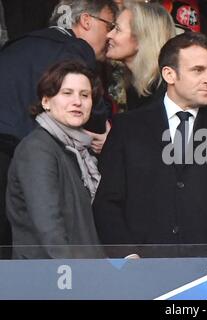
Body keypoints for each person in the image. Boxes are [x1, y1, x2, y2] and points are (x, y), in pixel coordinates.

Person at [93, 32, 207, 256]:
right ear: (169, 74)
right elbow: (107, 202)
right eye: (198, 70)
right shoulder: (127, 128)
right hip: (142, 273)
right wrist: (127, 256)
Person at [0, 0, 117, 259]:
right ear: (86, 21)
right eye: (109, 25)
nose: (111, 35)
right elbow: (51, 232)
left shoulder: (21, 44)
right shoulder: (75, 48)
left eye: (85, 95)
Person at [6, 60, 105, 259]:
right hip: (52, 280)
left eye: (84, 95)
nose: (77, 101)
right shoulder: (38, 149)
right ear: (46, 101)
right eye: (67, 93)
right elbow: (49, 227)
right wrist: (74, 276)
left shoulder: (79, 151)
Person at [106, 0, 176, 110]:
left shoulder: (164, 94)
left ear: (140, 39)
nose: (109, 35)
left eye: (117, 29)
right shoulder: (136, 85)